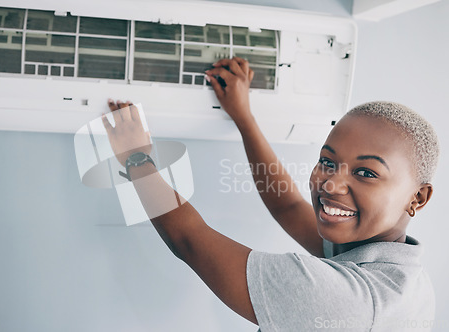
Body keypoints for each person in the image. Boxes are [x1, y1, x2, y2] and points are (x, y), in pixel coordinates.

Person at [101, 57, 439, 331]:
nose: (332, 185)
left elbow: (190, 242)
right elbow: (289, 206)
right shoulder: (399, 272)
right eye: (327, 161)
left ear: (418, 198)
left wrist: (136, 160)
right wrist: (244, 118)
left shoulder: (348, 300)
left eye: (366, 173)